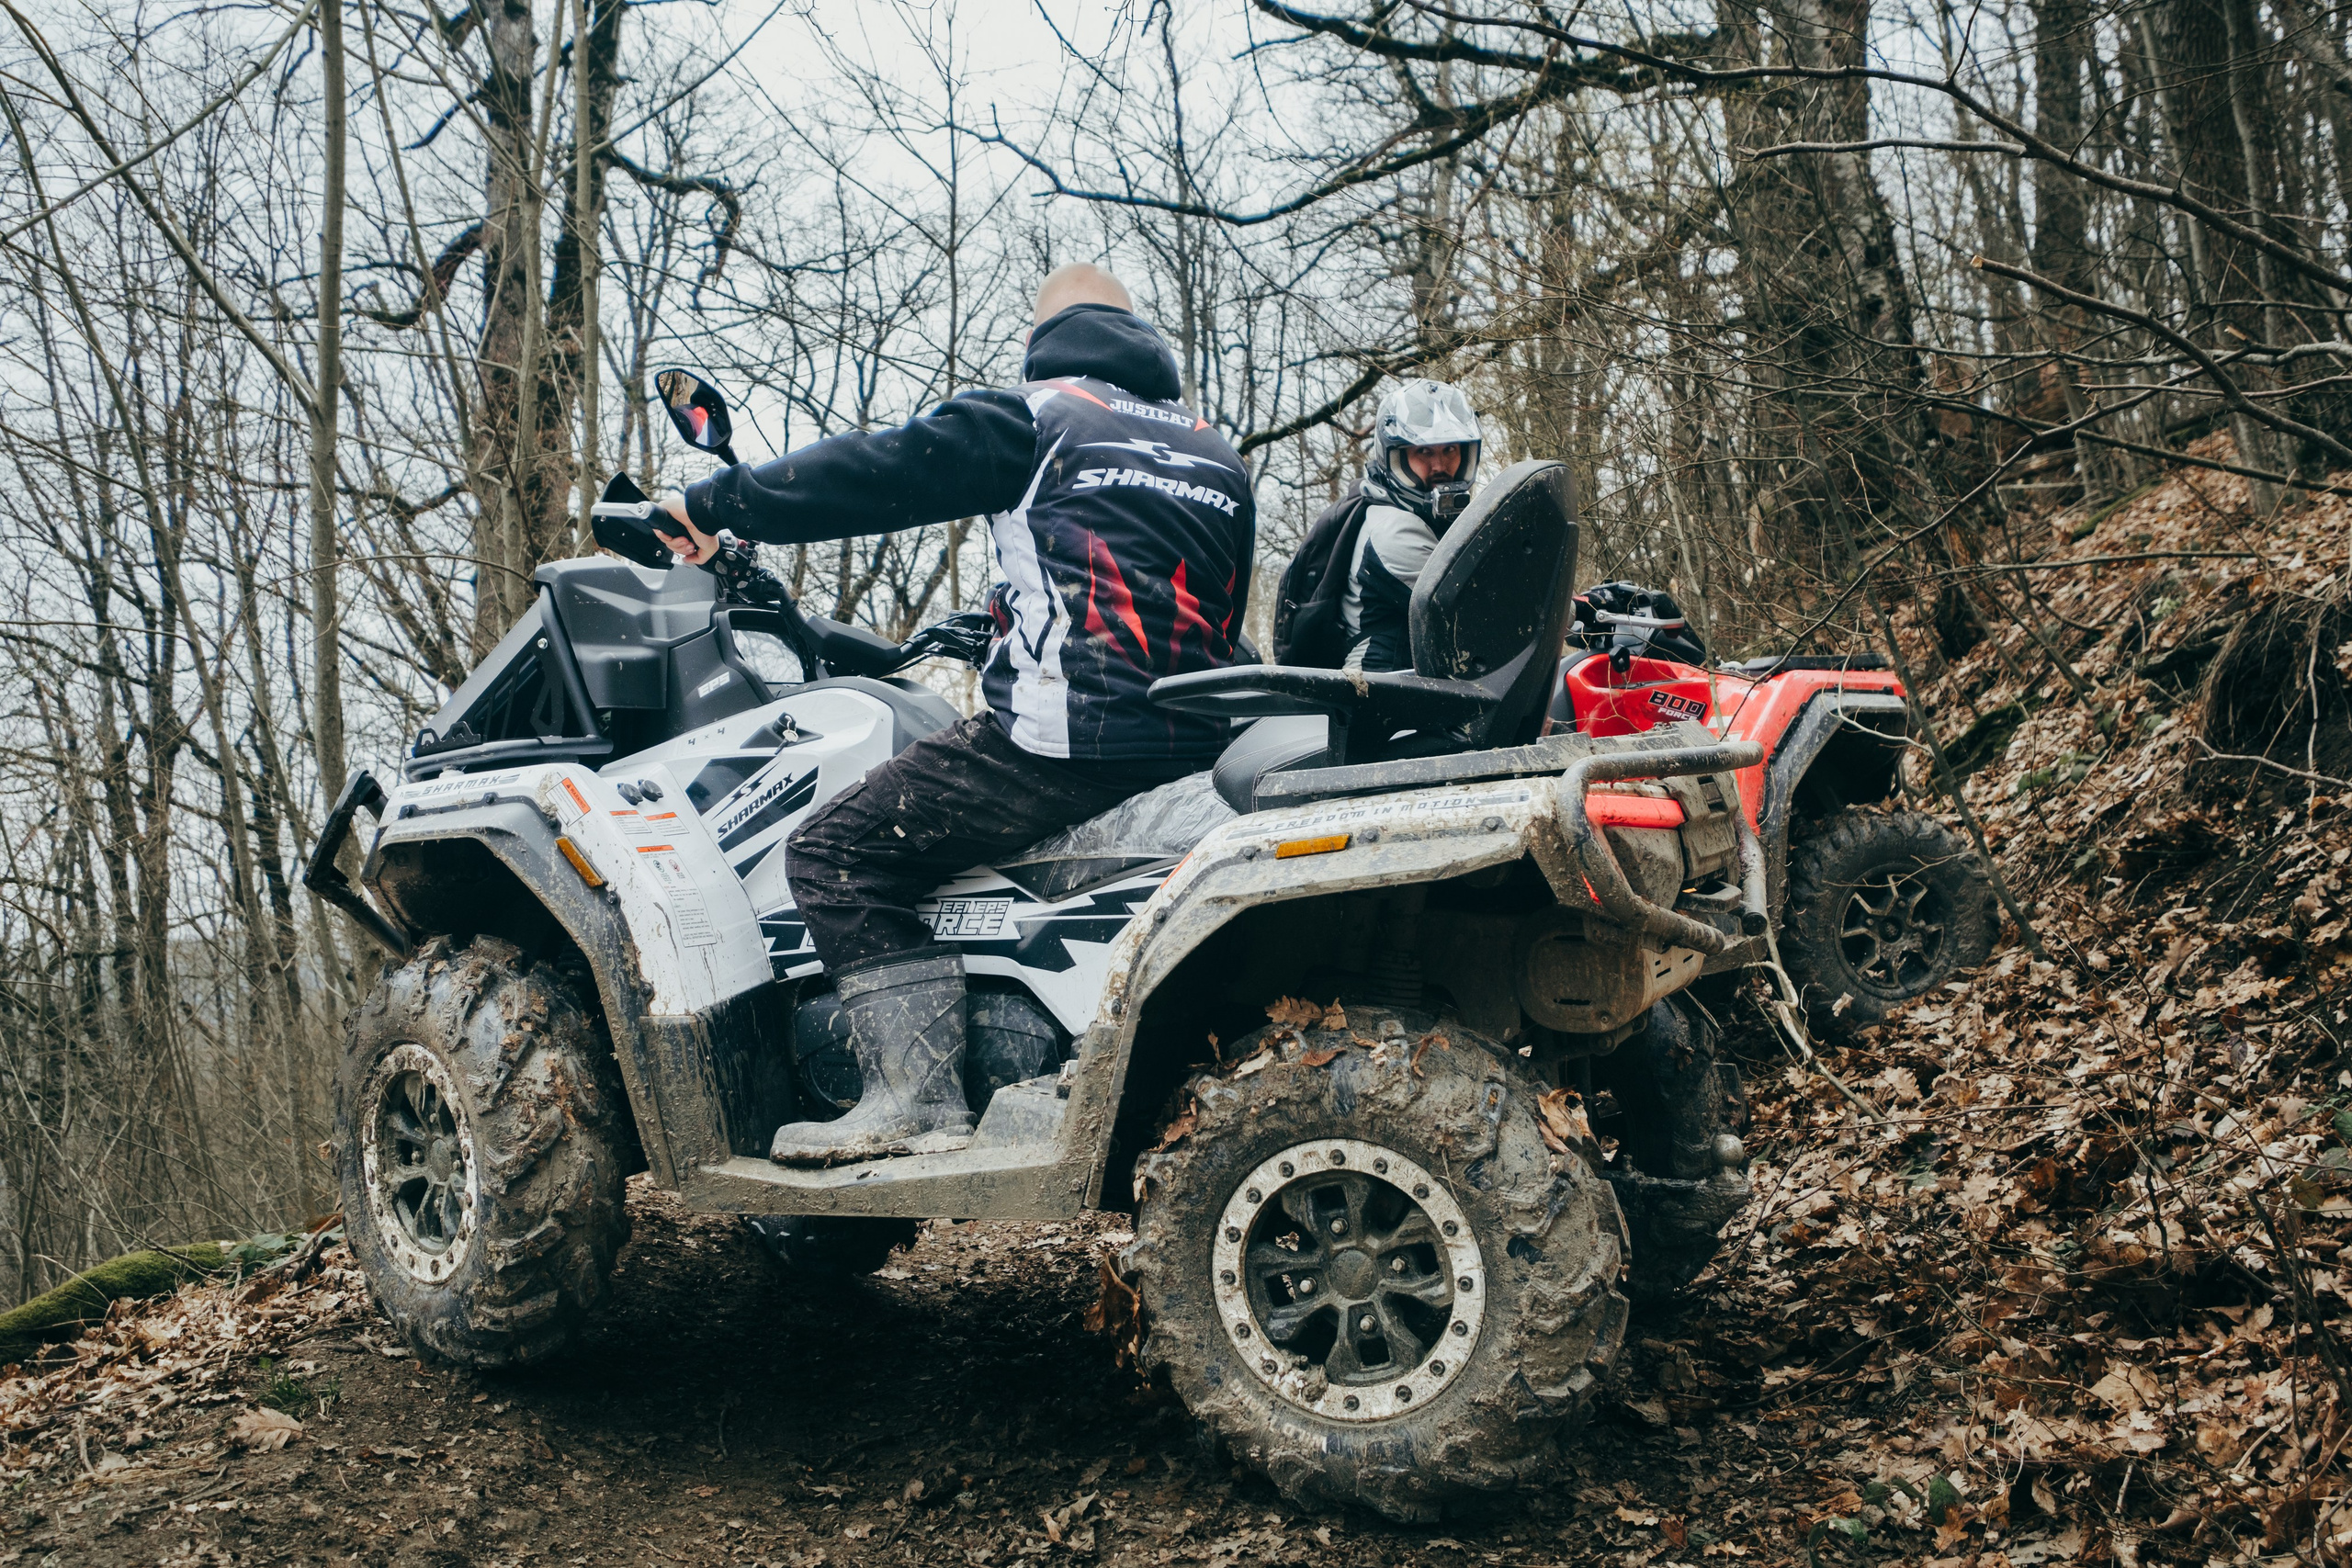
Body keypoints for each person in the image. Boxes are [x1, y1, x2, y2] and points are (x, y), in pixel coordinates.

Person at [653, 264, 1255, 1166]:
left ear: (1049, 338)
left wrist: (712, 503)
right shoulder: (1216, 452)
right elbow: (1185, 605)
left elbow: (875, 472)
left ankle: (916, 1097)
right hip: (1192, 738)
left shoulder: (1043, 415)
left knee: (832, 853)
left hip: (1064, 744)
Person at [1339, 378, 1483, 672]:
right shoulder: (1392, 529)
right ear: (1396, 457)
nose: (1440, 466)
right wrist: (1572, 613)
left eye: (1450, 449)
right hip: (1378, 698)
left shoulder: (1431, 521)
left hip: (1420, 692)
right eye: (1425, 452)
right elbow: (1481, 606)